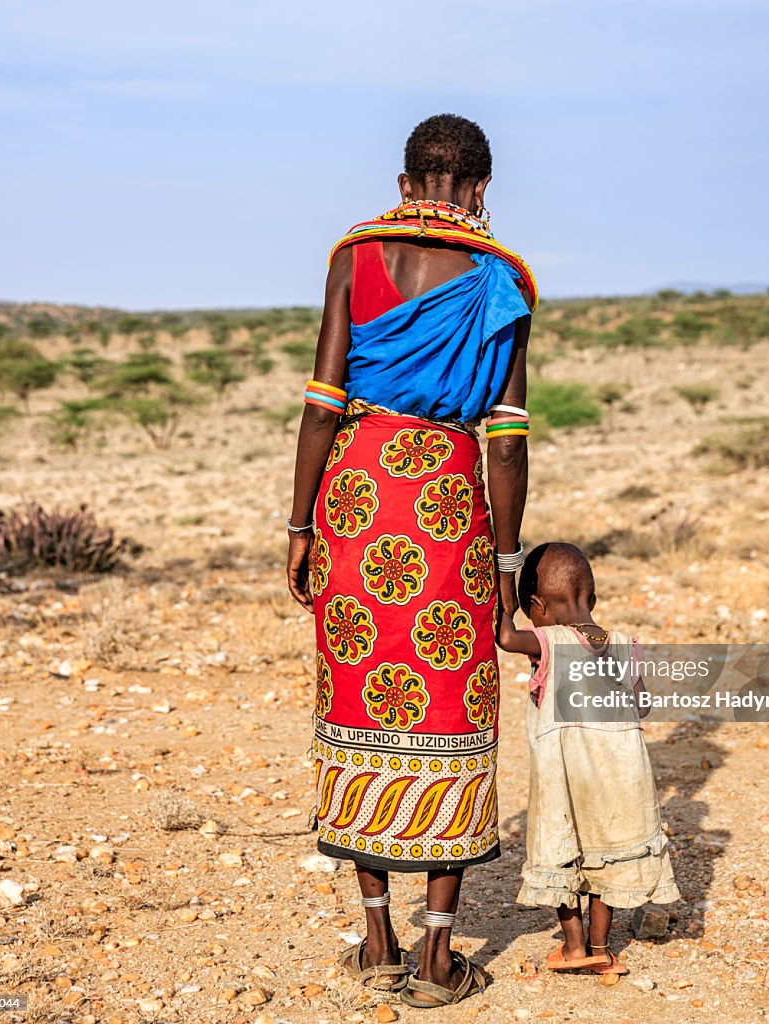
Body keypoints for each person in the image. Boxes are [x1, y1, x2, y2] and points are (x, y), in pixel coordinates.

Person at [287, 114, 537, 1007]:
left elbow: (322, 402)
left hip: (355, 498)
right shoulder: (503, 279)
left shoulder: (353, 257)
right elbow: (504, 440)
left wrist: (300, 525)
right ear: (479, 189)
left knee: (358, 695)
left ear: (404, 186)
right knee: (448, 703)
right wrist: (507, 573)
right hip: (444, 507)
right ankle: (437, 958)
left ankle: (376, 938)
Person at [497, 542, 681, 975]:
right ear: (593, 600)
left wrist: (502, 599)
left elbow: (504, 638)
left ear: (537, 605)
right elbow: (641, 706)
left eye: (529, 612)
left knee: (563, 850)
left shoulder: (550, 641)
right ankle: (602, 948)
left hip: (565, 775)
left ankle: (575, 946)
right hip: (620, 776)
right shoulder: (623, 644)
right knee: (608, 857)